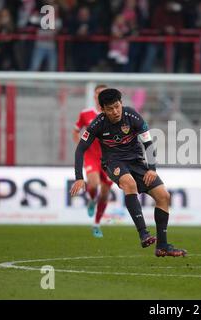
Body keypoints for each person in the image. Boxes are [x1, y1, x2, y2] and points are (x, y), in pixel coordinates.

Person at [70, 88, 186, 257]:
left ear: (121, 103)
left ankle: (162, 246)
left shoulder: (132, 116)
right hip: (113, 162)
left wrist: (152, 169)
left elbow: (148, 143)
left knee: (163, 196)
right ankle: (143, 233)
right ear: (102, 109)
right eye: (110, 109)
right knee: (129, 184)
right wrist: (79, 177)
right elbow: (80, 149)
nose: (115, 111)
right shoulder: (97, 123)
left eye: (117, 106)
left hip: (137, 162)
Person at [72, 84, 112, 238]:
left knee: (105, 193)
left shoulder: (114, 114)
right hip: (91, 156)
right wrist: (80, 147)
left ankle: (96, 223)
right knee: (94, 183)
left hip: (109, 158)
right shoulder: (86, 114)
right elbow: (75, 131)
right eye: (98, 94)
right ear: (95, 97)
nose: (100, 96)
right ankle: (90, 199)